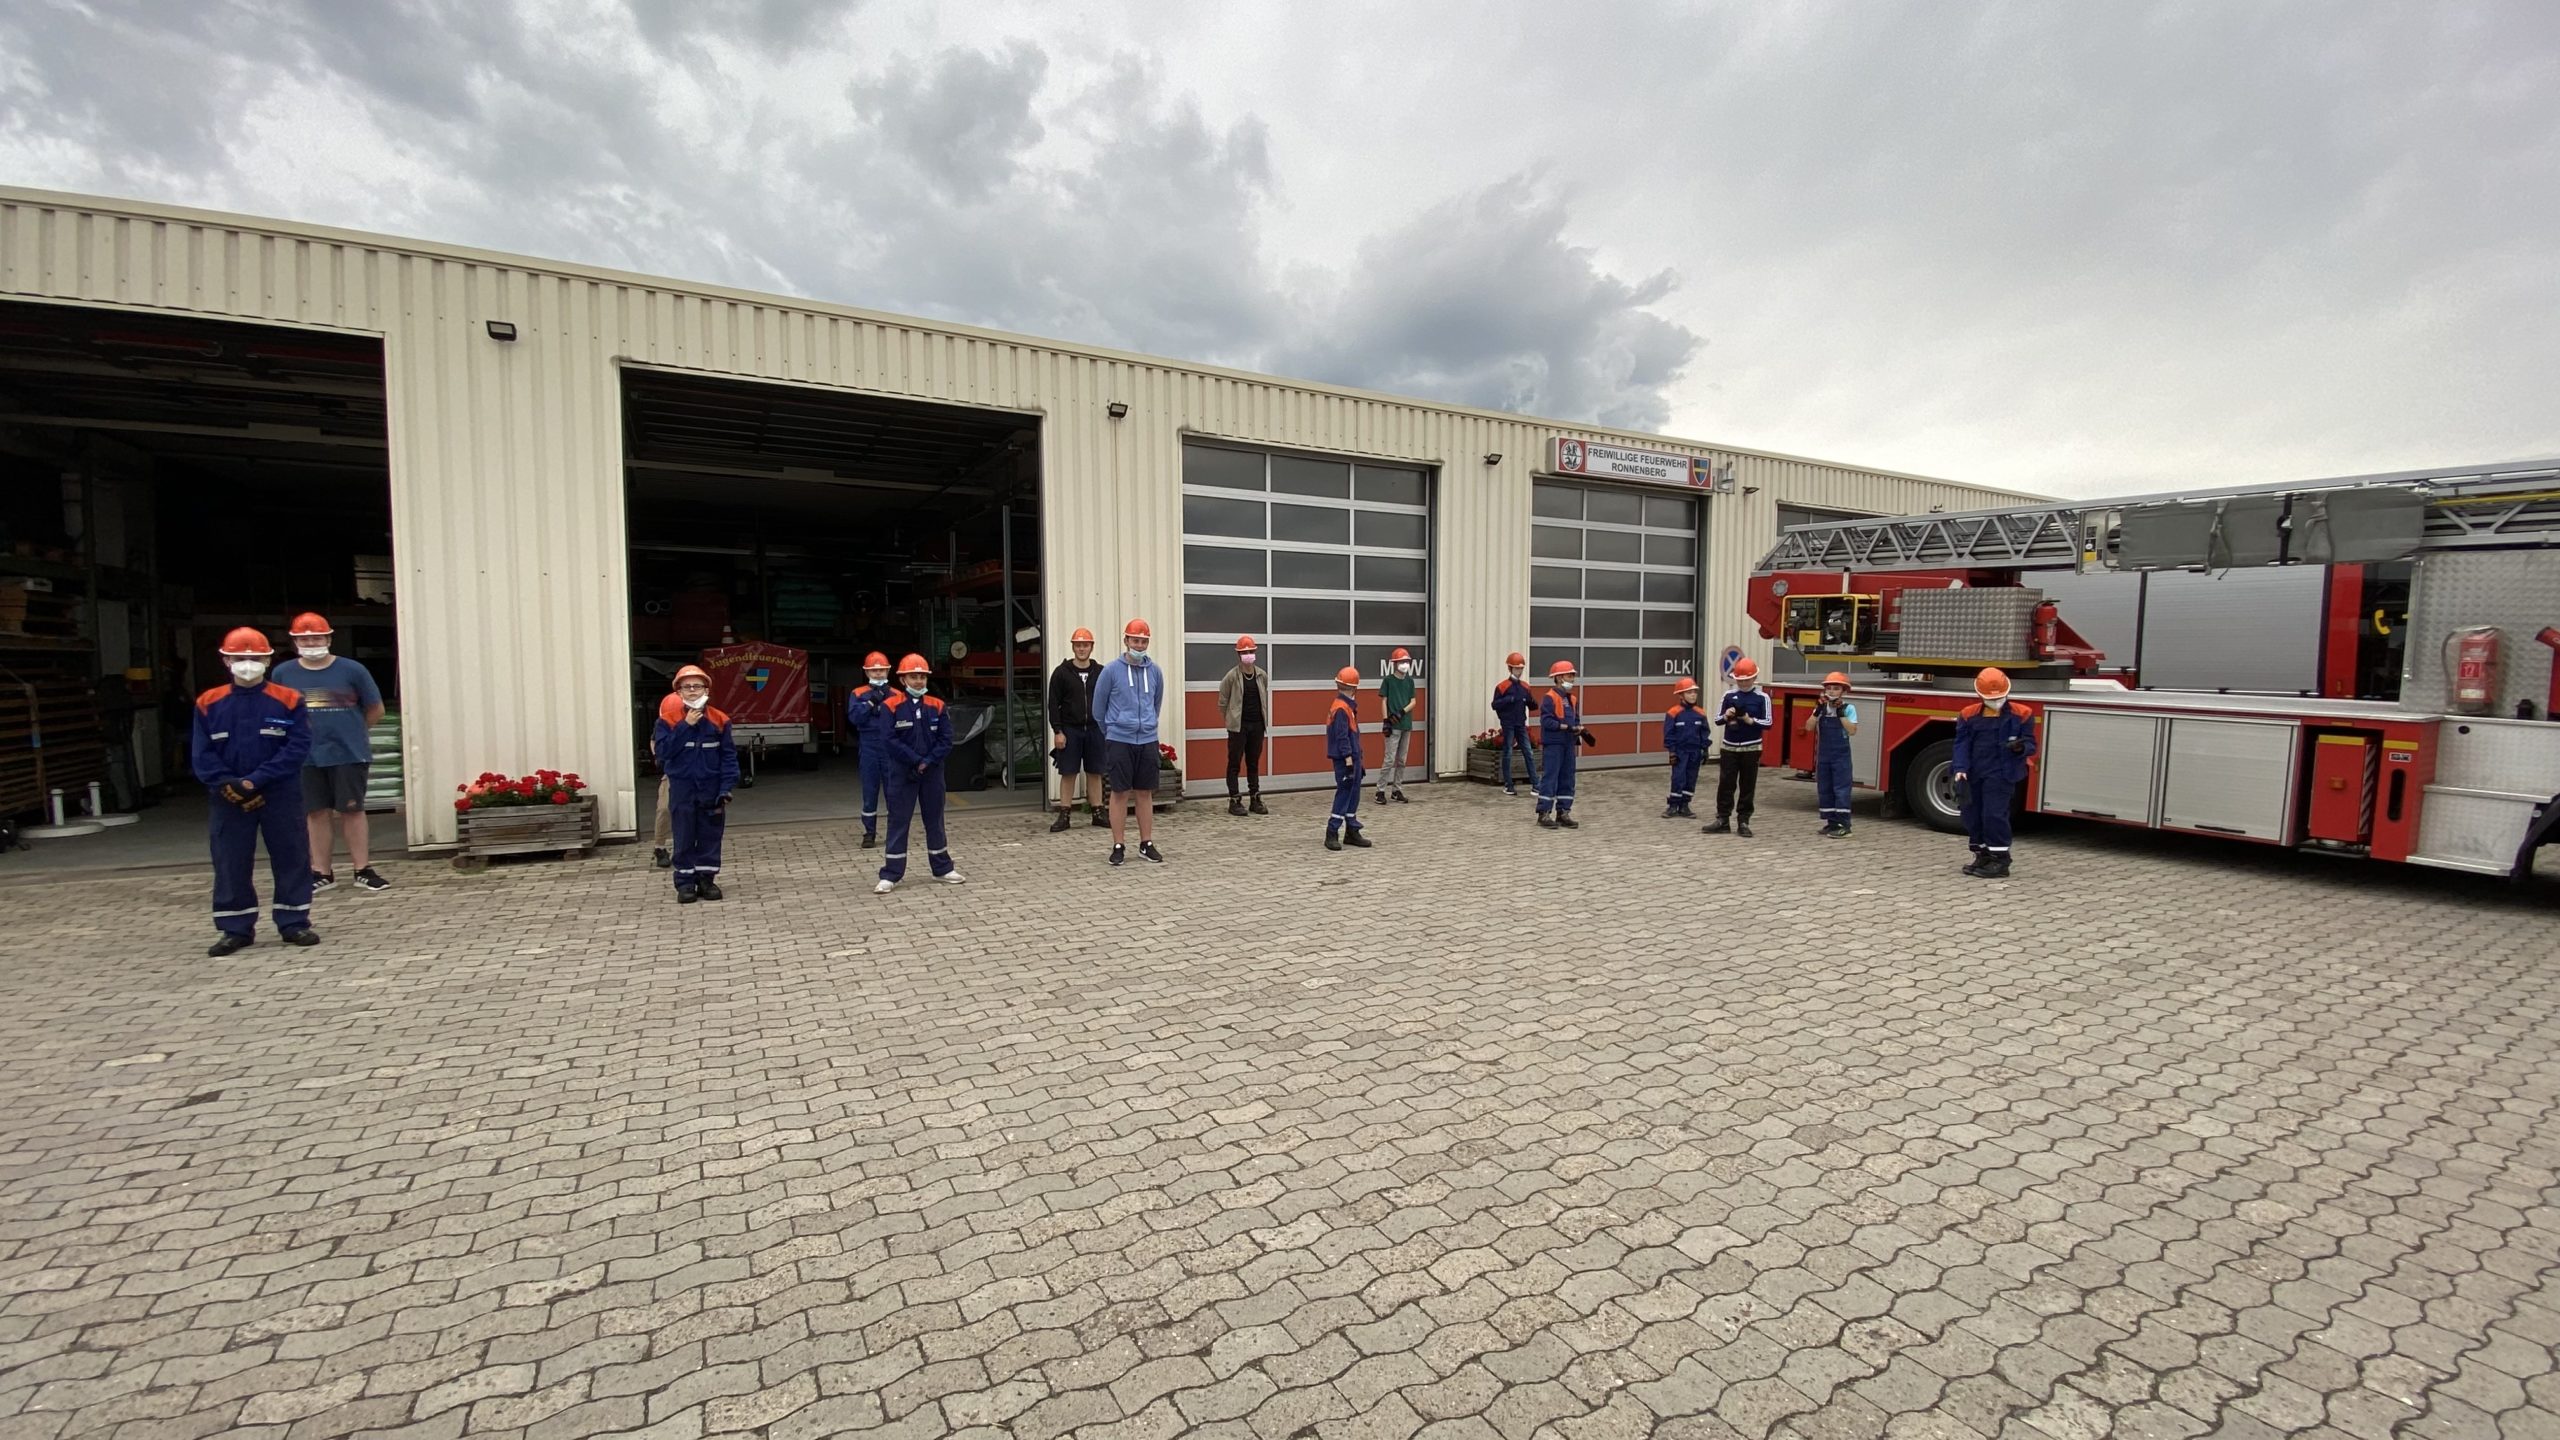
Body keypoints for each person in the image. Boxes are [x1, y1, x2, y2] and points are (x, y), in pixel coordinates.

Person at [192, 628, 318, 956]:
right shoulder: (208, 702)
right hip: (228, 797)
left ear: (267, 660)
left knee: (291, 855)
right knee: (230, 860)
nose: (247, 664)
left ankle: (294, 922)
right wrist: (226, 784)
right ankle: (235, 929)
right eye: (239, 658)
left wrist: (256, 780)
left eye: (255, 658)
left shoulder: (289, 699)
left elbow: (297, 747)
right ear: (226, 660)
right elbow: (202, 753)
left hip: (279, 792)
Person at [269, 613, 389, 893]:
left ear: (329, 639)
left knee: (352, 810)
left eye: (317, 637)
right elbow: (277, 712)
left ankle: (362, 869)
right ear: (295, 640)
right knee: (315, 812)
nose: (311, 642)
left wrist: (353, 733)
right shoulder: (283, 673)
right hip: (304, 755)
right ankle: (321, 871)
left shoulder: (352, 670)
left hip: (348, 754)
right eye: (304, 638)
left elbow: (376, 709)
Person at [875, 653, 967, 893]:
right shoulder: (890, 706)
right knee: (898, 822)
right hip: (901, 773)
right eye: (913, 677)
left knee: (935, 820)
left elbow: (946, 740)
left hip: (932, 773)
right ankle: (891, 874)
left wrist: (928, 761)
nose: (918, 681)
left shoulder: (937, 705)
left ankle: (942, 869)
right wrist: (916, 760)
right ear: (903, 680)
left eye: (922, 677)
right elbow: (888, 740)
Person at [653, 665, 738, 903]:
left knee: (710, 836)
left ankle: (706, 880)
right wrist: (685, 726)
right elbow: (663, 752)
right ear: (678, 692)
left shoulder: (720, 720)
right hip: (682, 788)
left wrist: (726, 788)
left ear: (707, 689)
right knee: (684, 835)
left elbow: (729, 757)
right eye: (687, 687)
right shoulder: (667, 721)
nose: (692, 691)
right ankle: (685, 883)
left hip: (711, 788)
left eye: (697, 686)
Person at [1092, 618, 1166, 866]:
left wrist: (1147, 724)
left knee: (1145, 792)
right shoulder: (1111, 671)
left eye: (1144, 641)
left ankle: (1146, 843)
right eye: (1135, 640)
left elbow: (1156, 703)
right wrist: (1113, 730)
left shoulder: (1154, 671)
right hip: (1119, 739)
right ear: (1126, 641)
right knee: (1120, 792)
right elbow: (1098, 709)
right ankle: (1118, 844)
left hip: (1147, 739)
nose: (1140, 645)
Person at [1955, 666, 2036, 878]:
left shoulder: (2023, 714)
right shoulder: (1968, 714)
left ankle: (2000, 860)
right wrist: (1960, 768)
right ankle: (1982, 856)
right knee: (1972, 816)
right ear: (1979, 695)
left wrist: (2021, 747)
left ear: (2007, 692)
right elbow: (1961, 744)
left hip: (2002, 774)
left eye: (2000, 697)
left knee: (1994, 815)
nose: (1995, 701)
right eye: (1991, 698)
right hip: (1974, 773)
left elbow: (2031, 744)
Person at [1047, 628, 1108, 833]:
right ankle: (1064, 815)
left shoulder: (1101, 672)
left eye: (1086, 645)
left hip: (1094, 729)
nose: (1082, 649)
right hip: (1070, 730)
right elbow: (1053, 704)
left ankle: (1098, 812)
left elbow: (1110, 700)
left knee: (1095, 772)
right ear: (1073, 646)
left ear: (1092, 647)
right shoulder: (1061, 673)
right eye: (1078, 645)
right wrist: (1058, 731)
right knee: (1068, 772)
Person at [1704, 658, 1773, 837]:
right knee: (1726, 784)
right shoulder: (1728, 696)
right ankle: (1722, 819)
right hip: (1729, 747)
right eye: (1740, 680)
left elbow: (1768, 722)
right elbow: (1718, 720)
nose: (1743, 683)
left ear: (1754, 678)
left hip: (1751, 748)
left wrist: (1750, 720)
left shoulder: (1762, 697)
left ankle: (1744, 820)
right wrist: (1728, 715)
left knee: (1747, 785)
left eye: (1746, 679)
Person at [1218, 635, 1272, 817]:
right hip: (1238, 727)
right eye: (1244, 652)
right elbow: (1223, 701)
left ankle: (1255, 798)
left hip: (1257, 725)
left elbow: (1264, 697)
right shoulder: (1231, 677)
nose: (1248, 655)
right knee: (1234, 763)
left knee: (1253, 762)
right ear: (1239, 655)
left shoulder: (1261, 675)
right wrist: (1231, 720)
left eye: (1250, 652)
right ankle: (1234, 800)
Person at [846, 651, 894, 849]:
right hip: (869, 746)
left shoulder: (897, 694)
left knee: (894, 792)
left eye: (881, 670)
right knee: (870, 791)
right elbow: (855, 718)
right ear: (867, 672)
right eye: (874, 671)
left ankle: (895, 832)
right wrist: (871, 703)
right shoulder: (858, 693)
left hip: (890, 747)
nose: (878, 674)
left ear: (888, 670)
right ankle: (869, 833)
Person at [1805, 671, 1861, 837]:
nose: (1831, 691)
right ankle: (1831, 822)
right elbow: (1808, 727)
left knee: (1841, 789)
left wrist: (1840, 713)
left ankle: (1844, 825)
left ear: (1843, 691)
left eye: (1836, 688)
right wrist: (1817, 712)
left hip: (1841, 756)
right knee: (1825, 788)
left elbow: (1852, 731)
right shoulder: (1821, 708)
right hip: (1824, 755)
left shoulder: (1849, 708)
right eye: (1828, 688)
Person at [1324, 666, 1373, 851]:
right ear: (1354, 688)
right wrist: (1348, 759)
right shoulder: (1342, 709)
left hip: (1353, 756)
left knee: (1353, 794)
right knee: (1345, 793)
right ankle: (1332, 831)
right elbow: (1342, 736)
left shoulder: (1345, 706)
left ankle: (1352, 830)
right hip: (1346, 759)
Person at [1536, 659, 1590, 829]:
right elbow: (1546, 721)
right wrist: (1565, 727)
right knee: (1550, 778)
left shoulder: (1572, 699)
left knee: (1567, 778)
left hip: (1568, 744)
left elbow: (1576, 718)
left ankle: (1563, 812)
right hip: (1554, 744)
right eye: (1569, 675)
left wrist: (1578, 728)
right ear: (1559, 678)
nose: (1572, 679)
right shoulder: (1549, 698)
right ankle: (1544, 813)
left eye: (1573, 675)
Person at [1490, 652, 1537, 797]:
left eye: (1521, 668)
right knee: (1508, 754)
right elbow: (1494, 704)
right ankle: (1508, 785)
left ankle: (1536, 784)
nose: (1520, 671)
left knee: (1528, 753)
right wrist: (1508, 700)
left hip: (1520, 723)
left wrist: (1531, 702)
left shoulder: (1525, 687)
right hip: (1508, 723)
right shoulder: (1502, 687)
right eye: (1517, 668)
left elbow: (1533, 705)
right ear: (1510, 668)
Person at [1661, 676, 1708, 819]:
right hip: (1680, 752)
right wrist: (1672, 752)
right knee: (1678, 778)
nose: (1693, 695)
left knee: (1691, 778)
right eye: (1689, 692)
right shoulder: (1673, 713)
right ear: (1681, 695)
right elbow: (1669, 734)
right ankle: (1673, 806)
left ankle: (1685, 806)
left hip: (1695, 752)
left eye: (1694, 692)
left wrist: (1705, 749)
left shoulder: (1700, 713)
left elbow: (1705, 732)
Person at [1377, 646, 1418, 804]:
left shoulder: (1410, 681)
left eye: (1406, 661)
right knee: (1389, 759)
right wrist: (1386, 720)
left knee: (1401, 760)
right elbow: (1384, 700)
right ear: (1395, 663)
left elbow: (1413, 701)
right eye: (1401, 662)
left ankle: (1397, 789)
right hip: (1393, 726)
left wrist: (1402, 712)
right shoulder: (1388, 680)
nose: (1405, 664)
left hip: (1406, 724)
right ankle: (1380, 790)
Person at [650, 689, 684, 868]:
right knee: (664, 809)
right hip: (671, 772)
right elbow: (655, 744)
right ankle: (660, 847)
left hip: (692, 771)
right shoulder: (661, 725)